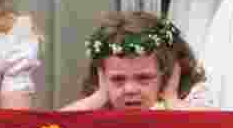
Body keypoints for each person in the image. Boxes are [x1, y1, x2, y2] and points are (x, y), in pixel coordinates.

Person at [61, 12, 215, 111]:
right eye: (117, 79)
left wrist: (172, 101)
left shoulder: (187, 104)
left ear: (167, 75)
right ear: (102, 77)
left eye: (144, 78)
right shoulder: (99, 108)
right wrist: (99, 97)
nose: (130, 89)